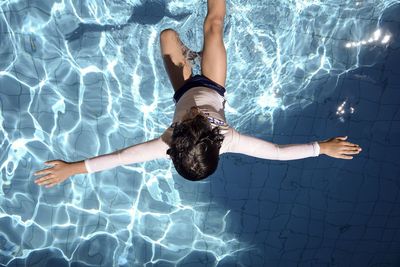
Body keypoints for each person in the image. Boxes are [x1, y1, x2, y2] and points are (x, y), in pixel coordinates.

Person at [34, 0, 362, 188]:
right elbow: (277, 153)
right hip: (214, 85)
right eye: (194, 122)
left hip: (184, 90)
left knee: (167, 35)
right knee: (214, 26)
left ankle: (189, 57)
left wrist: (70, 168)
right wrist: (322, 148)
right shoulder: (228, 138)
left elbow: (119, 159)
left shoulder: (169, 142)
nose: (189, 120)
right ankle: (198, 52)